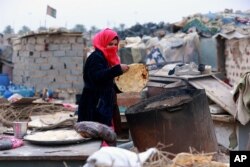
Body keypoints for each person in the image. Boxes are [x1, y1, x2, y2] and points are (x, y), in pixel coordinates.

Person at [77, 28, 129, 135]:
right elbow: (97, 76)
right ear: (102, 43)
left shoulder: (105, 58)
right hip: (94, 106)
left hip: (103, 106)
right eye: (110, 44)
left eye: (115, 44)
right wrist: (117, 69)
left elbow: (105, 83)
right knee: (94, 138)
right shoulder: (96, 57)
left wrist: (122, 87)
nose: (113, 47)